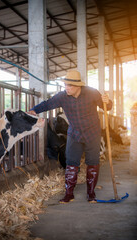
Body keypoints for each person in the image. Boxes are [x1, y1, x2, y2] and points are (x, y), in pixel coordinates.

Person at [28, 70, 112, 203]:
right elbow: (48, 104)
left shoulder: (92, 93)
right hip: (74, 133)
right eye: (65, 85)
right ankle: (69, 193)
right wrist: (34, 110)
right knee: (71, 163)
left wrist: (108, 101)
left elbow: (106, 107)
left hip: (92, 133)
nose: (66, 88)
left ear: (78, 86)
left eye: (70, 85)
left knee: (93, 162)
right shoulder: (62, 96)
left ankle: (91, 193)